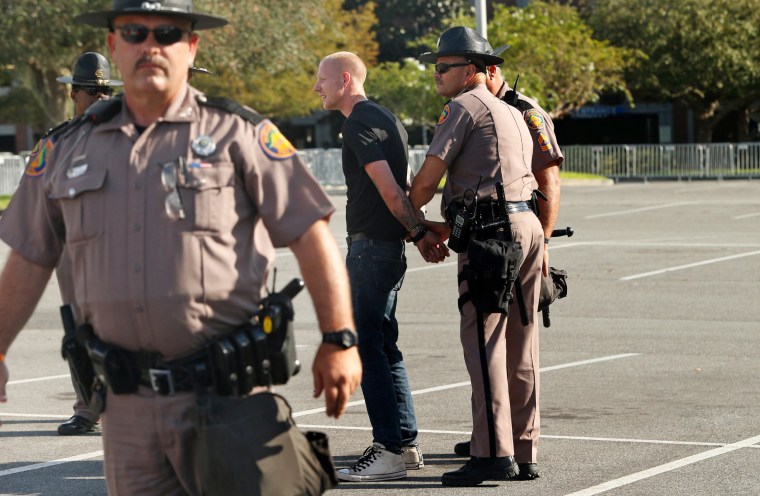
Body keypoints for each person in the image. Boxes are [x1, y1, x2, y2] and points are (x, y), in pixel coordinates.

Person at [0, 1, 362, 494]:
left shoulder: (241, 133)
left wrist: (339, 338)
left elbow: (311, 235)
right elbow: (28, 258)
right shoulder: (66, 149)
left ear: (190, 47)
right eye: (134, 32)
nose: (150, 44)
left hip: (227, 398)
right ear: (114, 45)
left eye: (167, 32)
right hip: (125, 410)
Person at [409, 26, 544, 487]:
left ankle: (491, 454)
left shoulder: (464, 106)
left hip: (492, 236)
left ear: (470, 71)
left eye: (443, 67)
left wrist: (413, 218)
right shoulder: (511, 111)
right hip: (525, 226)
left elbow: (427, 180)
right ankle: (523, 451)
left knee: (484, 343)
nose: (436, 74)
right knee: (521, 346)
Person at [313, 51, 438, 482]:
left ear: (345, 79)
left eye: (322, 80)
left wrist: (419, 234)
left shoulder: (359, 122)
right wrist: (418, 229)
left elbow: (389, 189)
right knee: (385, 346)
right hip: (384, 249)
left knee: (367, 347)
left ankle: (388, 449)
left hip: (370, 250)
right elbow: (403, 186)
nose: (317, 88)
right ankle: (404, 448)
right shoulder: (387, 118)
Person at [450, 43, 565, 481]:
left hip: (510, 236)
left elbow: (548, 178)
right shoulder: (486, 110)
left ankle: (502, 445)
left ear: (489, 71)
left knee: (496, 341)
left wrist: (546, 241)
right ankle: (506, 439)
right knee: (507, 343)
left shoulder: (522, 110)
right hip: (511, 233)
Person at [32, 51, 124, 436]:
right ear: (74, 96)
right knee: (80, 331)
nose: (99, 97)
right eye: (90, 90)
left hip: (124, 246)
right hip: (73, 248)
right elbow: (30, 201)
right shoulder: (55, 143)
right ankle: (87, 408)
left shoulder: (130, 136)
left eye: (103, 90)